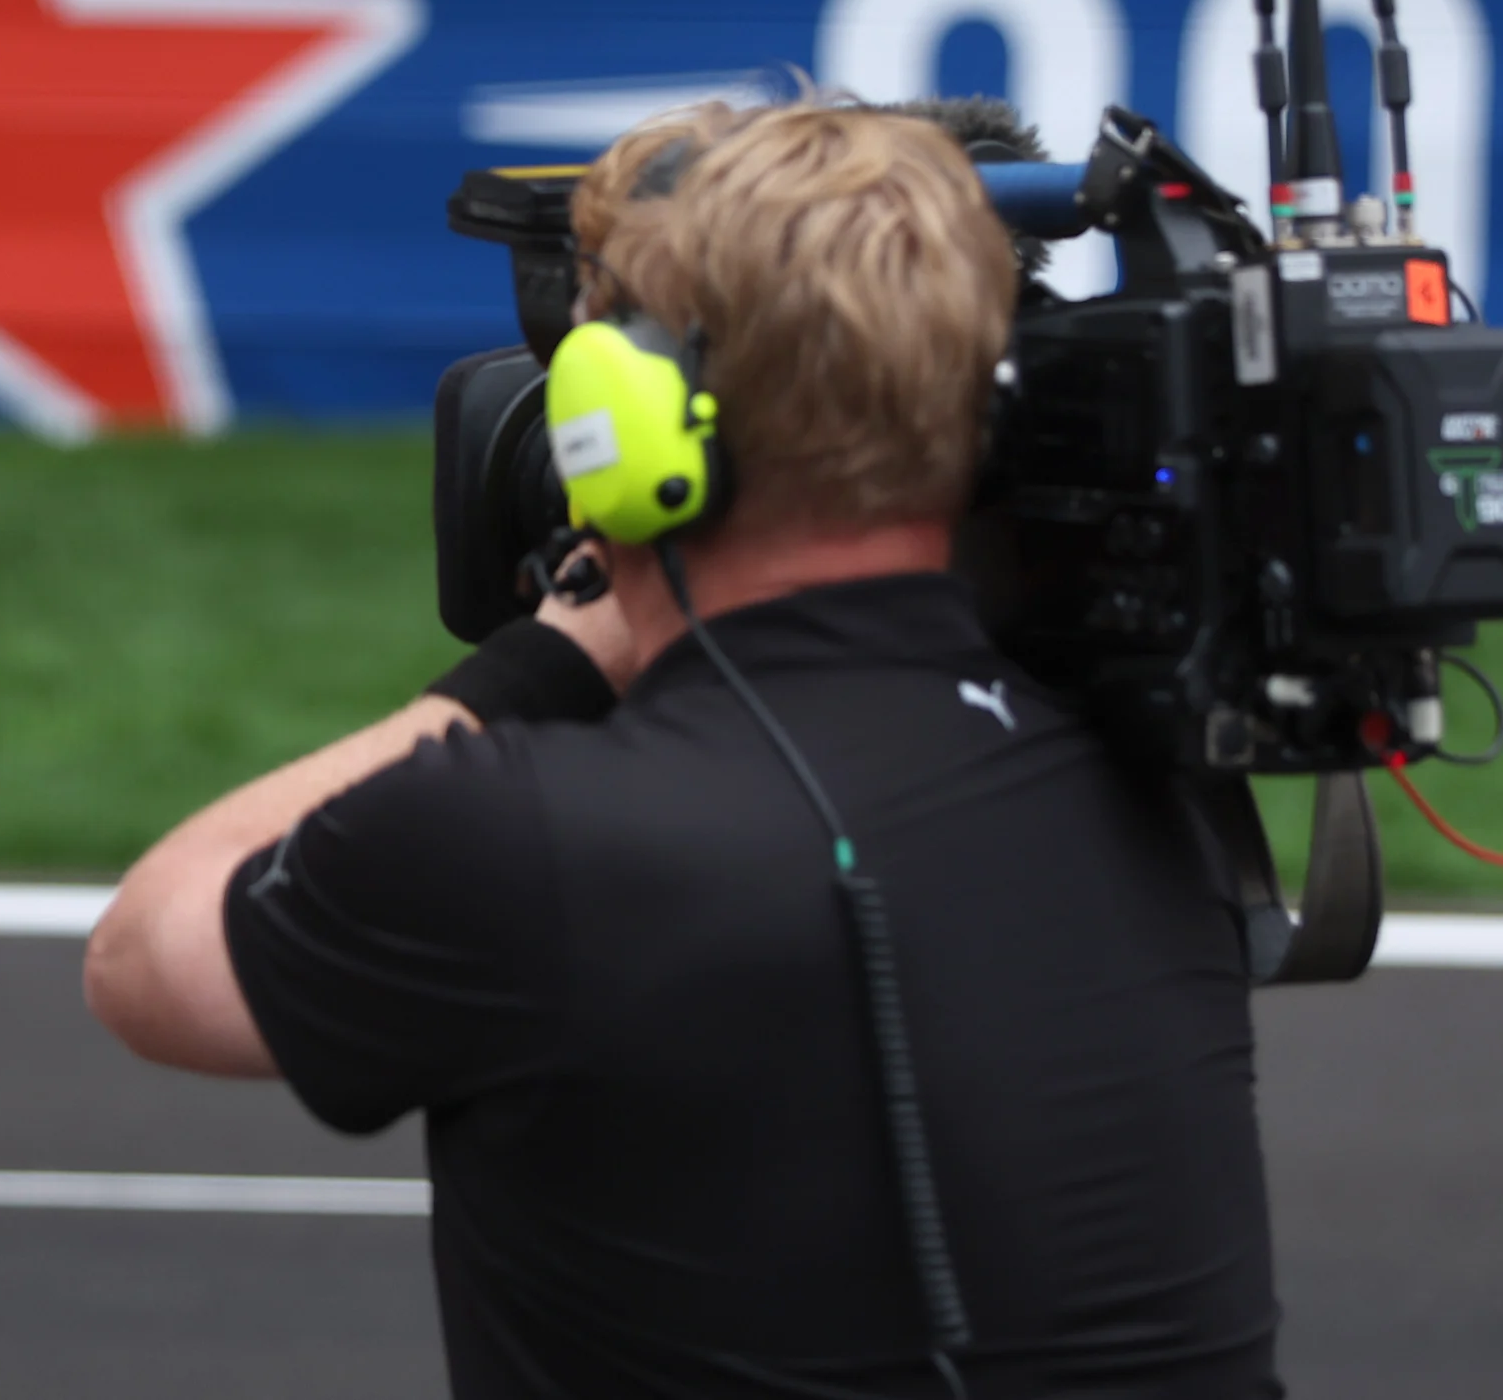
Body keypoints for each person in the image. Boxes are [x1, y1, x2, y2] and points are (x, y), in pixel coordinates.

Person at [85, 102, 1282, 1397]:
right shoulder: (1156, 792)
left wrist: (542, 659)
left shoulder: (525, 834)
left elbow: (150, 955)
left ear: (621, 421)